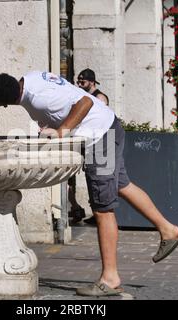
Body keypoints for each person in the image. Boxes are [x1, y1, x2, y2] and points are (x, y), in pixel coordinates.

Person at [0, 71, 178, 296]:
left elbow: (85, 102)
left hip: (100, 139)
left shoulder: (38, 97)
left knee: (102, 207)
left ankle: (110, 278)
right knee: (121, 184)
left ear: (4, 102)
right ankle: (168, 229)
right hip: (108, 128)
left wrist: (61, 132)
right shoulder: (32, 79)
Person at [71, 68, 110, 225]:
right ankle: (96, 211)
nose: (79, 84)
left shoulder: (100, 97)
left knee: (101, 178)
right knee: (91, 177)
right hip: (88, 141)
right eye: (78, 81)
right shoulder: (83, 96)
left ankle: (102, 212)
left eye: (83, 82)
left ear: (92, 82)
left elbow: (99, 121)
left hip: (100, 142)